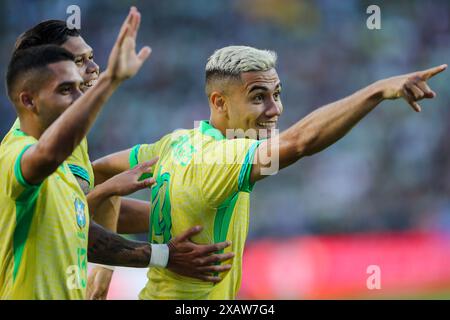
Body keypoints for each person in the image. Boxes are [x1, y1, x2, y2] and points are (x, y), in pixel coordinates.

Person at [93, 45, 447, 299]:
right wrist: (377, 90)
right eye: (259, 97)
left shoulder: (173, 143)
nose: (275, 109)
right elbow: (300, 143)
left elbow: (98, 172)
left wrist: (102, 257)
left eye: (277, 94)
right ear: (219, 102)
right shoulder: (226, 156)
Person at [0, 7, 232, 300]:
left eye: (90, 59)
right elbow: (73, 220)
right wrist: (160, 255)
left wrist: (182, 214)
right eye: (78, 63)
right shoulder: (21, 153)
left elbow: (76, 213)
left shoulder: (73, 146)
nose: (94, 68)